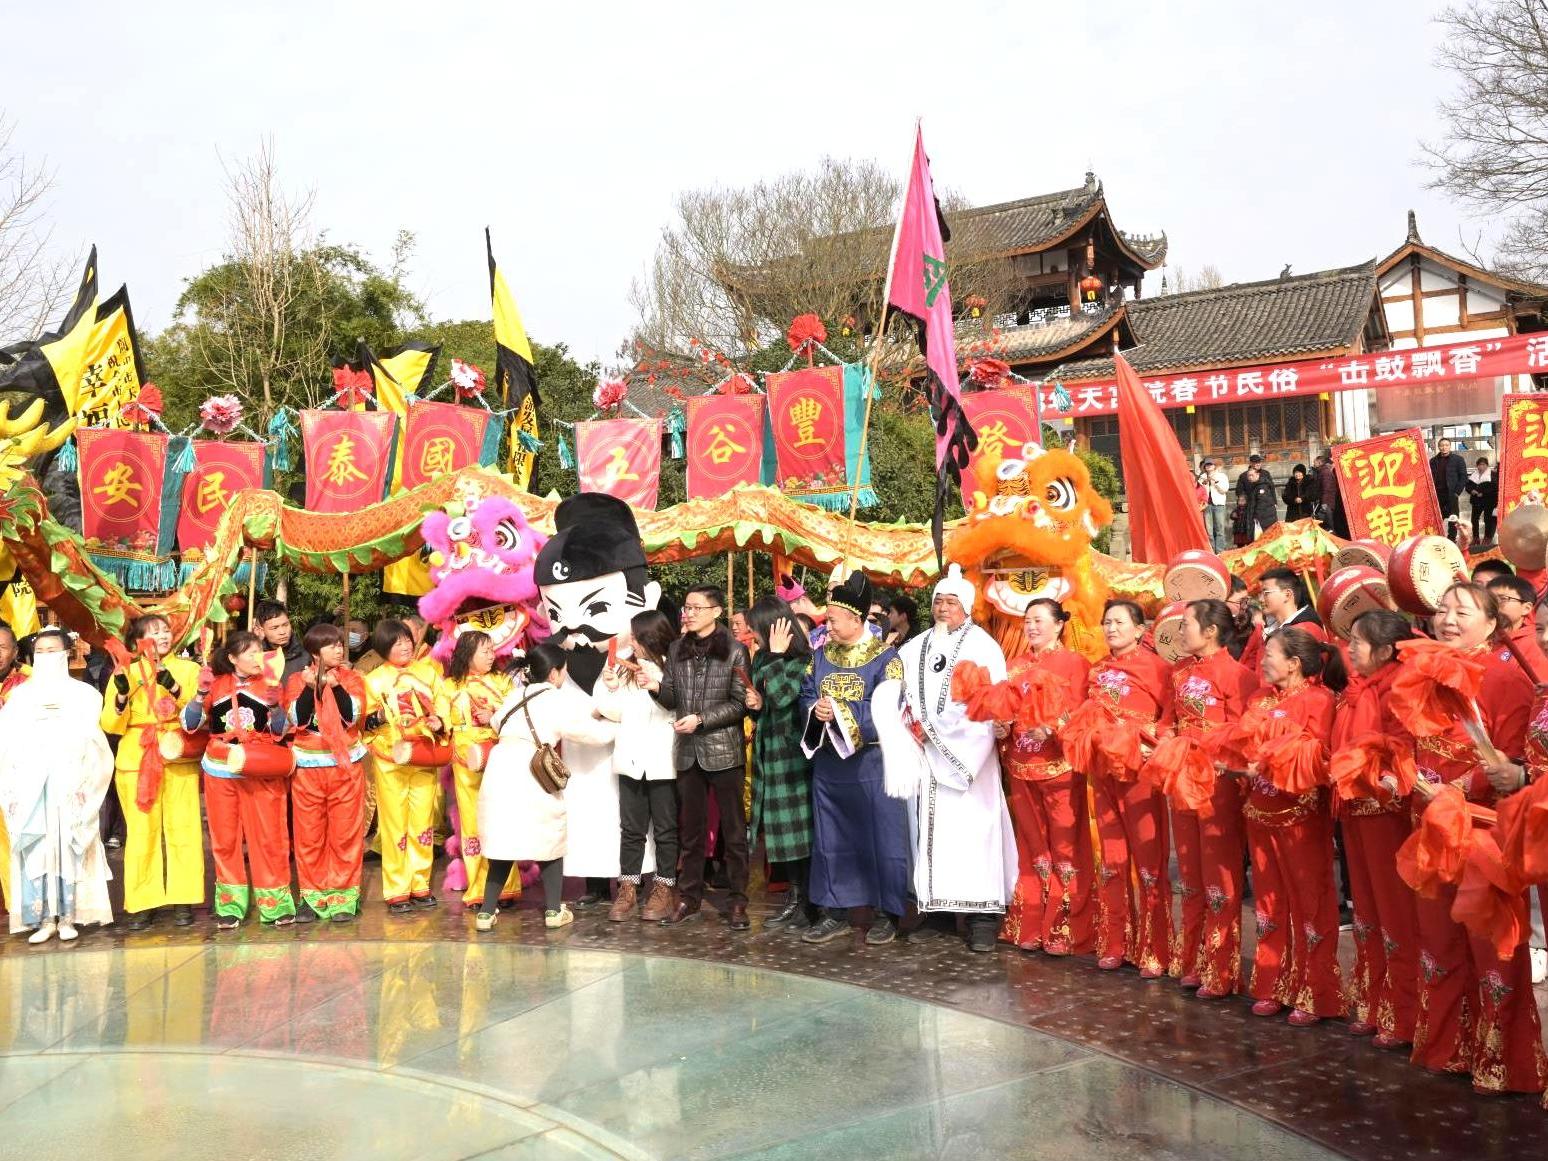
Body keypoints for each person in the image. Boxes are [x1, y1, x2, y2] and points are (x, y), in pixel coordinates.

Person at [1403, 583, 1545, 1093]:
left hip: (1483, 828)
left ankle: (1500, 1061)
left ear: (1492, 624)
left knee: (1491, 947)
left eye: (1463, 611)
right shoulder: (1419, 672)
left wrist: (1462, 786)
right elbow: (1411, 740)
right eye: (1443, 609)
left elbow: (1512, 757)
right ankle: (1448, 1048)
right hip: (1430, 824)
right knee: (1439, 941)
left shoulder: (1505, 679)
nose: (1448, 618)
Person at [1147, 599, 1257, 999]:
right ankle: (1189, 960)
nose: (1181, 630)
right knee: (1190, 875)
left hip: (1217, 785)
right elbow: (1166, 721)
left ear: (1211, 631)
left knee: (1219, 876)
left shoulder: (1238, 675)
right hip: (1181, 779)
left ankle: (1220, 968)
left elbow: (1244, 734)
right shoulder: (1177, 672)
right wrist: (1166, 741)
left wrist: (1206, 750)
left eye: (1188, 623)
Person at [1240, 629, 1346, 1026]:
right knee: (1268, 905)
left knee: (1310, 902)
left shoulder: (1319, 700)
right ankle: (1271, 983)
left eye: (1270, 654)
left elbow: (1321, 757)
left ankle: (1314, 991)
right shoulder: (1259, 699)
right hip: (1259, 811)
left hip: (1300, 814)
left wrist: (1278, 756)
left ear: (1294, 663)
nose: (1263, 661)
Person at [798, 569, 908, 945]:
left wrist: (842, 712)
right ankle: (834, 909)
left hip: (872, 764)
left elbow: (890, 708)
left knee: (883, 838)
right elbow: (806, 694)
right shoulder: (820, 655)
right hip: (830, 764)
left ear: (856, 619)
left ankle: (887, 913)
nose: (826, 625)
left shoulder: (886, 659)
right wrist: (816, 710)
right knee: (831, 837)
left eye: (831, 619)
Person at [477, 643, 618, 932]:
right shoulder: (556, 699)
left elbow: (495, 721)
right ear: (554, 673)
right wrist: (618, 726)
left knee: (504, 842)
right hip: (532, 770)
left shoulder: (516, 694)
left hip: (500, 769)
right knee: (549, 838)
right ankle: (554, 910)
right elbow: (589, 734)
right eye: (563, 669)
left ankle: (486, 913)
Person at [1068, 600, 1174, 976]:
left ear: (1140, 629)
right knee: (1112, 861)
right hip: (1104, 774)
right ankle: (1116, 941)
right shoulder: (1097, 669)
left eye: (1118, 622)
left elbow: (1171, 719)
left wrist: (1153, 741)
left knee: (1149, 863)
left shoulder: (1159, 669)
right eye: (1106, 621)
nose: (1110, 628)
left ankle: (1156, 949)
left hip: (1139, 775)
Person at [1334, 609, 1420, 1049]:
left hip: (1387, 814)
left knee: (1394, 916)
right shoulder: (1355, 690)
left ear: (1386, 651)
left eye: (1359, 642)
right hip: (1355, 810)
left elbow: (1406, 748)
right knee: (1366, 913)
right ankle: (1373, 1002)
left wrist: (1379, 769)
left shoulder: (1400, 690)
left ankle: (1404, 1015)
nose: (1350, 648)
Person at [0, 628, 114, 943]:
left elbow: (94, 741)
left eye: (54, 651)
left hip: (69, 780)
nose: (47, 657)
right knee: (38, 847)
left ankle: (68, 916)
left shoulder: (85, 695)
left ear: (67, 653)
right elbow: (7, 741)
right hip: (32, 783)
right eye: (41, 652)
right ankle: (42, 919)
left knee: (68, 845)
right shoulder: (20, 696)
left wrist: (81, 776)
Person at [995, 596, 1093, 955]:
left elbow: (1086, 714)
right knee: (1033, 851)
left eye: (1038, 620)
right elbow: (1004, 709)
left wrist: (1056, 727)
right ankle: (1030, 921)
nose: (1031, 627)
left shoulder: (1076, 664)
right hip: (1021, 769)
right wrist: (1000, 727)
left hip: (1059, 770)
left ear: (1059, 624)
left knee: (1065, 849)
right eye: (1027, 620)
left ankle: (1065, 927)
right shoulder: (1015, 666)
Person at [648, 584, 750, 928]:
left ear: (716, 611)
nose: (688, 613)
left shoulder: (735, 651)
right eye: (686, 608)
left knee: (734, 834)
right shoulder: (677, 649)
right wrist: (654, 689)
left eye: (695, 608)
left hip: (724, 751)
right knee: (690, 833)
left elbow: (739, 705)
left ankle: (738, 902)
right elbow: (673, 697)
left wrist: (702, 720)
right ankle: (688, 899)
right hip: (688, 752)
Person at [181, 630, 294, 928]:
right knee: (226, 838)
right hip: (221, 768)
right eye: (251, 652)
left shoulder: (271, 684)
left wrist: (274, 706)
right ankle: (230, 905)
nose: (258, 658)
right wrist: (200, 694)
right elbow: (191, 725)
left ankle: (275, 903)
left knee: (269, 836)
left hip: (260, 766)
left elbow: (281, 731)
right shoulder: (215, 685)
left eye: (261, 651)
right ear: (232, 659)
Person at [101, 614, 204, 931]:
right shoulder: (125, 673)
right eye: (153, 632)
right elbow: (110, 723)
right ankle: (142, 902)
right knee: (141, 832)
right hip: (137, 757)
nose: (162, 635)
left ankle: (184, 898)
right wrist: (121, 696)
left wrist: (171, 685)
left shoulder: (189, 669)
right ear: (137, 642)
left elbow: (197, 713)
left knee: (183, 827)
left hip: (176, 753)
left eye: (165, 630)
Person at [593, 609, 679, 923]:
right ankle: (628, 887)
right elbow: (615, 712)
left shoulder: (676, 666)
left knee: (666, 829)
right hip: (631, 758)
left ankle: (664, 888)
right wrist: (610, 687)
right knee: (631, 828)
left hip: (663, 759)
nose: (631, 640)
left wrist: (656, 685)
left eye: (635, 634)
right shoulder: (626, 666)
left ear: (650, 636)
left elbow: (678, 704)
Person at [287, 623, 370, 922]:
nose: (339, 648)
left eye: (339, 644)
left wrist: (334, 687)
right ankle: (312, 896)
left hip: (345, 767)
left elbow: (352, 717)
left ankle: (344, 896)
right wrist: (312, 689)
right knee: (309, 835)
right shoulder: (297, 680)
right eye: (331, 645)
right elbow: (296, 718)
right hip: (308, 767)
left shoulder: (352, 679)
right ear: (314, 652)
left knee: (345, 833)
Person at [362, 618, 444, 913]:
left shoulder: (430, 673)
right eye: (397, 643)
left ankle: (420, 884)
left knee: (422, 823)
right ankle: (397, 888)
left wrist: (439, 721)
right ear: (384, 648)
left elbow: (443, 704)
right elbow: (364, 723)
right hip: (391, 760)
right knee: (395, 824)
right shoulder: (373, 681)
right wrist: (379, 720)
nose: (405, 646)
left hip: (423, 755)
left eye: (407, 640)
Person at [744, 597, 816, 930]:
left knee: (797, 834)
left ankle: (803, 902)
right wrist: (755, 704)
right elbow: (767, 699)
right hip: (767, 750)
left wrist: (773, 656)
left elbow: (784, 695)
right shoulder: (761, 656)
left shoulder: (803, 658)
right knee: (777, 833)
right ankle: (794, 898)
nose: (752, 635)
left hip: (791, 755)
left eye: (756, 628)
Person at [436, 630, 521, 911]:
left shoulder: (502, 682)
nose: (490, 655)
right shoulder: (449, 686)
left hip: (499, 755)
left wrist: (495, 715)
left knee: (503, 820)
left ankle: (507, 887)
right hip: (465, 759)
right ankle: (478, 889)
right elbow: (441, 719)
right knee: (472, 823)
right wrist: (436, 724)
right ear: (466, 655)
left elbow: (518, 713)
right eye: (483, 651)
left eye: (491, 650)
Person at [1484, 573, 1548, 680]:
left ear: (1526, 608)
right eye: (1489, 599)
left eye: (1503, 599)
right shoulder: (1479, 639)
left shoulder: (1536, 643)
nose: (1493, 605)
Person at [254, 600, 308, 684]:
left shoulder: (307, 655)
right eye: (275, 628)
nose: (282, 632)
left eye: (285, 625)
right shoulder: (255, 657)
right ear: (261, 630)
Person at [1259, 568, 1324, 639]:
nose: (1260, 599)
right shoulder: (1273, 630)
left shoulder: (1304, 630)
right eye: (1260, 594)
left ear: (1287, 595)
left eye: (1266, 593)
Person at [1430, 437, 1468, 543]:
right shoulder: (1433, 461)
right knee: (1436, 518)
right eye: (1442, 445)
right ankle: (1437, 539)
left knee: (1453, 518)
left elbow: (1463, 476)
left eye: (1446, 445)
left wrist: (1457, 492)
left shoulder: (1458, 459)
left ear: (1450, 446)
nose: (1444, 447)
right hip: (1437, 495)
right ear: (1438, 447)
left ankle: (1452, 539)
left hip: (1452, 494)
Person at [1236, 455, 1278, 539]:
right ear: (1251, 463)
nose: (1258, 464)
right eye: (1255, 462)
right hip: (1249, 506)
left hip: (1264, 507)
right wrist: (1244, 499)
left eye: (1259, 462)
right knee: (1252, 531)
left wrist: (1275, 501)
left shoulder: (1266, 474)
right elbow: (1239, 491)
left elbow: (1272, 488)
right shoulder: (1243, 476)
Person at [1467, 457, 1499, 546]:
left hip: (1489, 501)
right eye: (1479, 465)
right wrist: (1471, 491)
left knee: (1488, 520)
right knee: (1474, 519)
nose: (1481, 467)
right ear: (1477, 466)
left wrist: (1483, 493)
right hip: (1476, 501)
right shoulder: (1474, 474)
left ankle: (1487, 538)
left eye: (1483, 465)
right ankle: (1476, 537)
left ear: (1487, 465)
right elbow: (1468, 486)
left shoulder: (1492, 474)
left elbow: (1495, 487)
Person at [1199, 460, 1230, 553]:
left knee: (1219, 529)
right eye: (1206, 465)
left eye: (1210, 465)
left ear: (1214, 466)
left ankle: (1220, 551)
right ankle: (1211, 551)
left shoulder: (1221, 476)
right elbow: (1199, 491)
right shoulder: (1202, 477)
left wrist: (1215, 481)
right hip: (1206, 506)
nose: (1208, 466)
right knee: (1209, 531)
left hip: (1218, 504)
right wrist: (1204, 482)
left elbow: (1224, 490)